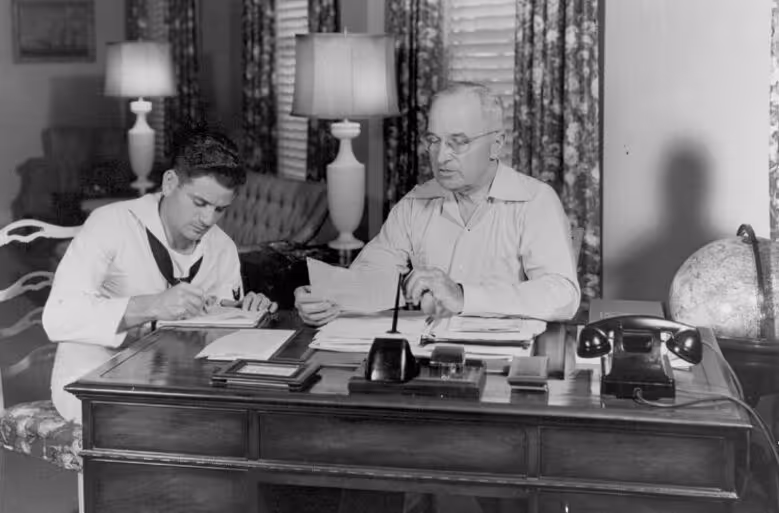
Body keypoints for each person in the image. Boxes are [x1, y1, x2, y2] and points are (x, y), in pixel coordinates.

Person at [295, 81, 580, 326]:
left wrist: (462, 295)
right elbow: (370, 274)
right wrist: (329, 298)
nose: (441, 157)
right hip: (425, 362)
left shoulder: (535, 201)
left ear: (496, 144)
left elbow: (562, 295)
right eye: (434, 140)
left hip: (504, 371)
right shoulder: (415, 203)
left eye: (458, 142)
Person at [43, 128, 278, 423]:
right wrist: (153, 305)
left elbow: (218, 331)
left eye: (220, 209)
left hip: (176, 381)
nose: (208, 220)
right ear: (170, 183)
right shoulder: (110, 224)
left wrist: (244, 310)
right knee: (173, 428)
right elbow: (57, 317)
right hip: (92, 380)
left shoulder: (223, 248)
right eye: (200, 203)